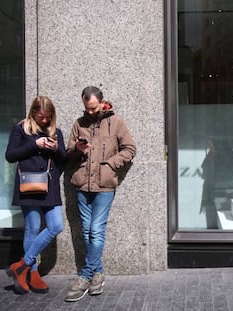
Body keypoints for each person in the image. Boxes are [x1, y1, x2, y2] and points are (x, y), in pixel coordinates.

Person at [65, 86, 136, 302]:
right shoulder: (79, 123)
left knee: (96, 230)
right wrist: (78, 149)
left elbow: (130, 149)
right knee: (87, 230)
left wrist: (110, 164)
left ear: (102, 102)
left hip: (104, 186)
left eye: (94, 108)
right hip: (81, 185)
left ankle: (85, 275)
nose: (90, 112)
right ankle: (98, 274)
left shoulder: (116, 122)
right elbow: (68, 155)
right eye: (87, 108)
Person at [5, 96, 66, 294]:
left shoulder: (56, 132)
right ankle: (31, 273)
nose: (45, 121)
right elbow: (10, 155)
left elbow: (64, 159)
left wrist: (56, 148)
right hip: (28, 185)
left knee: (56, 225)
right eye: (41, 117)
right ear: (33, 113)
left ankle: (22, 265)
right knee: (31, 228)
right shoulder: (20, 129)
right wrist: (35, 144)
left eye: (48, 117)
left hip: (49, 186)